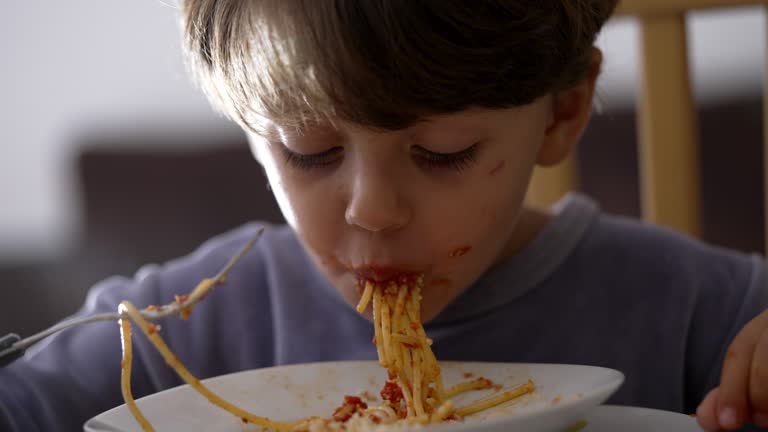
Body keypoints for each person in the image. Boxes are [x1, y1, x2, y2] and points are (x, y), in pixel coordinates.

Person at [1, 1, 766, 431]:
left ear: (563, 113)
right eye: (308, 151)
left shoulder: (694, 309)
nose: (372, 210)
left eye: (441, 152)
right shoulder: (200, 322)